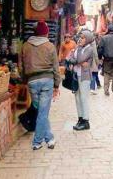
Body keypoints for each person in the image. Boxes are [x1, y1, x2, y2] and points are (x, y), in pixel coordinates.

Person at [21, 20, 60, 150]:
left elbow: (21, 66)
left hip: (32, 82)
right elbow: (56, 67)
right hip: (47, 81)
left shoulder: (25, 46)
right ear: (46, 33)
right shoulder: (50, 46)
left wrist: (24, 80)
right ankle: (37, 142)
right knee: (43, 113)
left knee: (41, 112)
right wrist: (57, 84)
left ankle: (49, 139)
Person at [67, 30, 95, 131]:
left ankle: (86, 121)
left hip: (84, 77)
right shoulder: (79, 48)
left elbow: (78, 59)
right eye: (81, 37)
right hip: (76, 76)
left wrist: (76, 60)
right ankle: (80, 118)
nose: (81, 39)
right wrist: (76, 60)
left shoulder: (89, 49)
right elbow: (70, 58)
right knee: (77, 98)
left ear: (87, 39)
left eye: (83, 38)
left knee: (84, 98)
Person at [97, 23, 113, 96]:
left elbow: (100, 49)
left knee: (106, 74)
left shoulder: (104, 38)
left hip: (107, 59)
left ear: (108, 29)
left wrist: (100, 57)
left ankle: (106, 90)